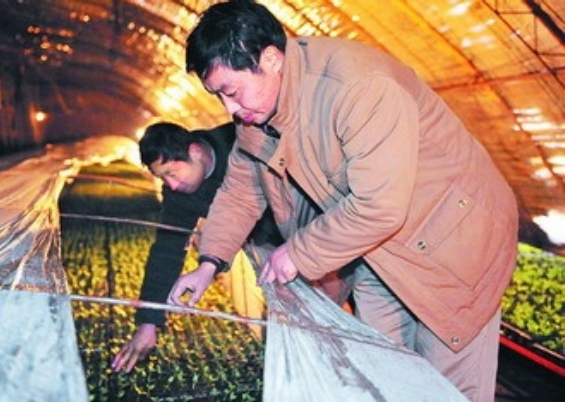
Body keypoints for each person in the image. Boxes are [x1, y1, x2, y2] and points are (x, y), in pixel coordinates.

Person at [168, 1, 519, 401]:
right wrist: (209, 263)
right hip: (377, 249)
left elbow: (379, 205)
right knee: (383, 373)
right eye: (218, 96)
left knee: (444, 388)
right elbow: (240, 190)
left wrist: (296, 253)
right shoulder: (258, 115)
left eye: (231, 92)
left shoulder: (359, 87)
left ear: (271, 60)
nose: (229, 108)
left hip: (452, 247)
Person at [111, 121, 283, 373]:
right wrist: (149, 321)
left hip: (308, 232)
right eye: (162, 178)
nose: (171, 185)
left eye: (171, 173)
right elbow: (168, 248)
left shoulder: (242, 143)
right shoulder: (180, 194)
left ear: (195, 151)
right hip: (268, 243)